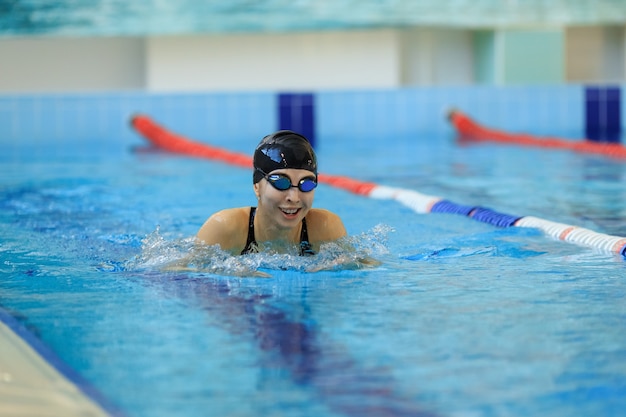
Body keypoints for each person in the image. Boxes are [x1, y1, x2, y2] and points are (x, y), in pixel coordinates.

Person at [196, 130, 347, 255]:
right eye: (281, 183)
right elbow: (184, 274)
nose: (294, 197)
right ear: (257, 187)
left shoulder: (326, 228)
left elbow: (365, 267)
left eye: (306, 184)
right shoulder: (225, 228)